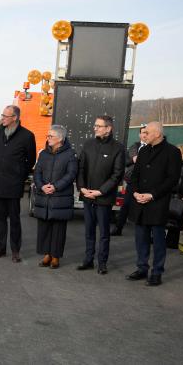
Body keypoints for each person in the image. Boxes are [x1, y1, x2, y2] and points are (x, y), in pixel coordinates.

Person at [126, 122, 182, 286]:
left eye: (147, 133)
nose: (144, 135)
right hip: (140, 202)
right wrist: (136, 192)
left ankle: (157, 272)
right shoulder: (143, 151)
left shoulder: (172, 152)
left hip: (157, 203)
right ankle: (142, 268)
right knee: (140, 239)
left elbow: (172, 179)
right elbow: (134, 175)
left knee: (158, 241)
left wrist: (151, 195)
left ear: (157, 134)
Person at [76, 115, 125, 275]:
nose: (94, 128)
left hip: (103, 197)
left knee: (104, 233)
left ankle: (102, 263)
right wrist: (82, 188)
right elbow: (81, 168)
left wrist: (100, 191)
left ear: (108, 128)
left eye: (98, 126)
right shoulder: (88, 144)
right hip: (87, 195)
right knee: (89, 231)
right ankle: (88, 260)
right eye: (95, 125)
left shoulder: (118, 148)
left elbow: (117, 174)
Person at [0, 105, 36, 263]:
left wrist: (20, 173)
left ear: (14, 117)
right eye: (2, 115)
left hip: (14, 184)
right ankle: (0, 248)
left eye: (5, 116)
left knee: (14, 219)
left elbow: (31, 160)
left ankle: (16, 250)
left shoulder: (27, 136)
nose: (2, 118)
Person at [33, 125, 77, 269]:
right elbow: (37, 172)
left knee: (58, 229)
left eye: (51, 136)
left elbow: (71, 175)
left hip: (60, 197)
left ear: (60, 139)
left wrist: (55, 186)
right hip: (44, 196)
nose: (48, 138)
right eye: (48, 136)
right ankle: (47, 254)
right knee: (44, 227)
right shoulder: (44, 153)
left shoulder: (70, 154)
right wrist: (41, 186)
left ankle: (56, 256)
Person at [111, 126, 147, 236]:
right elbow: (127, 161)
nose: (145, 135)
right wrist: (133, 159)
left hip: (146, 182)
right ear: (139, 135)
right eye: (143, 133)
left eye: (147, 133)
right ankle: (118, 228)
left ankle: (146, 233)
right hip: (133, 181)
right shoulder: (134, 147)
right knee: (125, 205)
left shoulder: (153, 148)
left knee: (146, 208)